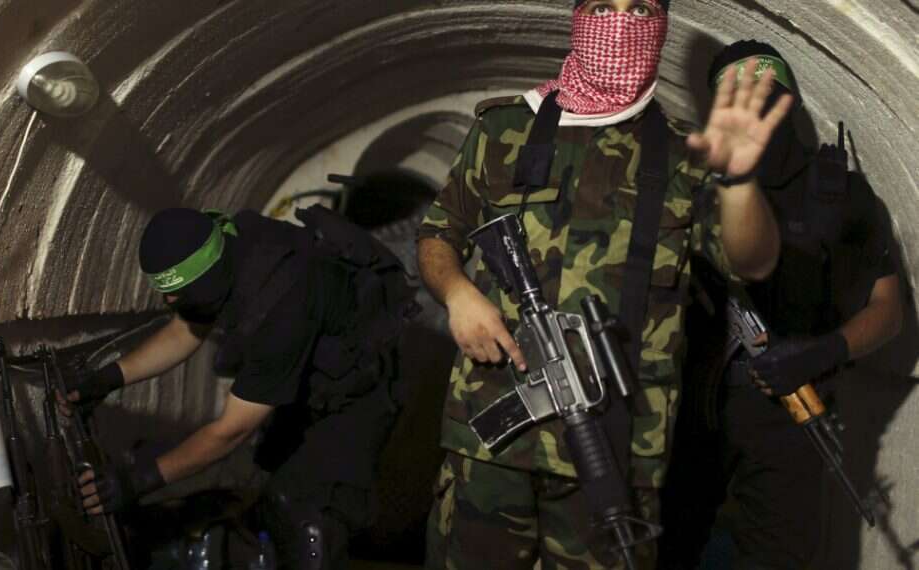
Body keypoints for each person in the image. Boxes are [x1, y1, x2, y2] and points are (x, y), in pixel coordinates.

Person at [415, 0, 792, 568]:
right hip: (491, 441)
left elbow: (754, 262)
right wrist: (458, 294)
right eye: (602, 6)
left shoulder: (685, 157)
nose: (620, 23)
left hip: (614, 448)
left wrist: (738, 181)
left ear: (662, 25)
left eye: (639, 7)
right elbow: (439, 232)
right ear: (577, 14)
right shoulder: (505, 129)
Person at [657, 40, 903, 570]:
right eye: (740, 102)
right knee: (658, 547)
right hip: (687, 408)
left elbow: (889, 307)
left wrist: (825, 350)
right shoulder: (690, 183)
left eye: (769, 98)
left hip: (790, 414)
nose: (756, 115)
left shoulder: (839, 194)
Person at [60, 205, 416, 569]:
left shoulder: (279, 308)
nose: (169, 301)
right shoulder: (228, 244)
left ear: (205, 277)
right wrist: (108, 378)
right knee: (271, 479)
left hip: (361, 393)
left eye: (177, 292)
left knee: (309, 517)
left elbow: (230, 432)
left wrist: (137, 482)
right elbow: (186, 330)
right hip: (312, 376)